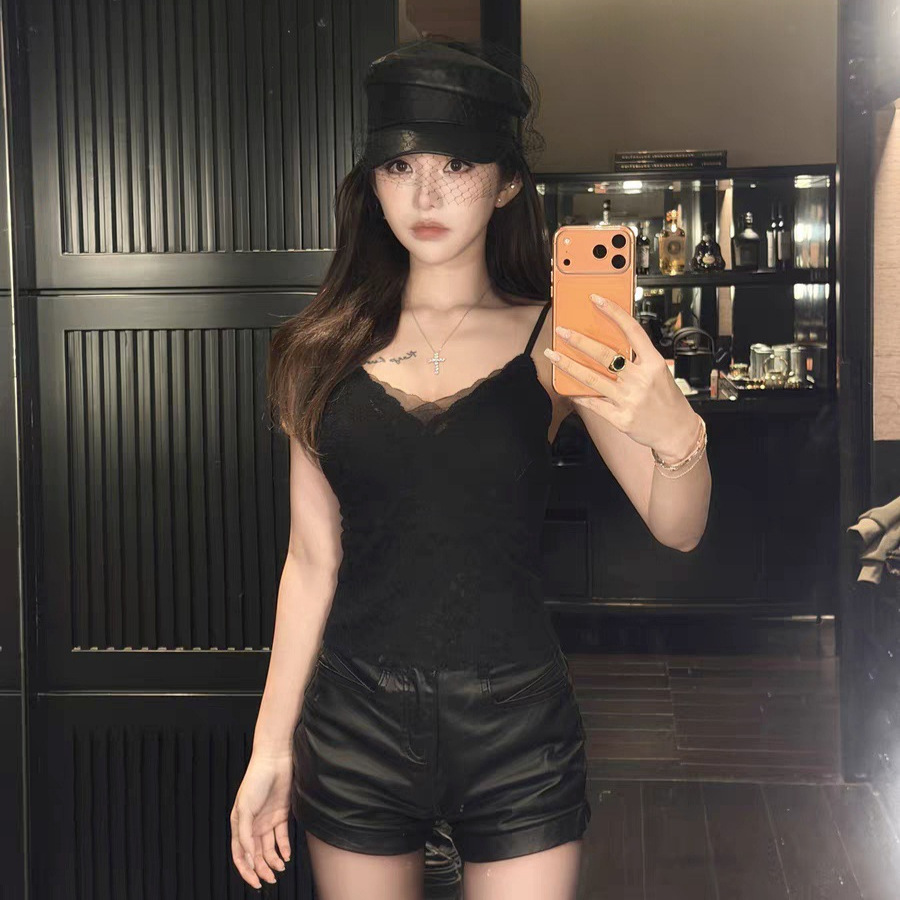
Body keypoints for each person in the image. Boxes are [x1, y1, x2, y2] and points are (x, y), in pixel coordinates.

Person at [231, 37, 709, 900]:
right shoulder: (314, 351)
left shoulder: (560, 343)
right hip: (355, 721)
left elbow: (678, 529)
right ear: (372, 182)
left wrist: (678, 434)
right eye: (399, 166)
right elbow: (310, 561)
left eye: (456, 165)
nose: (425, 195)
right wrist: (271, 748)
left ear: (507, 182)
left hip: (518, 724)